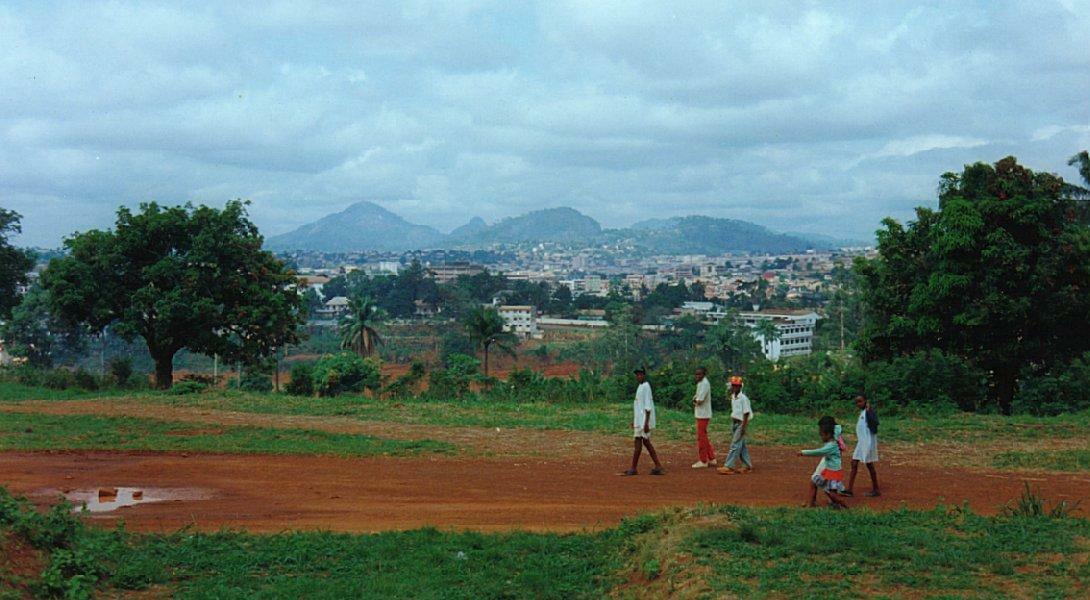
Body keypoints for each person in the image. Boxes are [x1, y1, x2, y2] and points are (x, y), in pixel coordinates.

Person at [799, 416, 848, 509]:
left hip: (828, 462)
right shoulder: (835, 434)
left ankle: (812, 503)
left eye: (821, 432)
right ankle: (830, 502)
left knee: (815, 481)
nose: (820, 434)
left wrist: (803, 452)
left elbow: (819, 451)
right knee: (823, 485)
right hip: (830, 461)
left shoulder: (831, 443)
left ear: (828, 433)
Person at [623, 367, 664, 476]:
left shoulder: (646, 386)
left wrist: (646, 423)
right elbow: (638, 406)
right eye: (637, 375)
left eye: (640, 374)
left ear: (644, 375)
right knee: (643, 442)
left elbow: (648, 406)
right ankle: (656, 466)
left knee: (641, 442)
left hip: (643, 421)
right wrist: (635, 421)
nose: (638, 376)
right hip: (640, 420)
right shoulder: (640, 386)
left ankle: (635, 468)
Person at [843, 395, 881, 497]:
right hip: (861, 442)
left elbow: (875, 423)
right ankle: (849, 490)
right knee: (854, 463)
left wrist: (869, 411)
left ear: (865, 401)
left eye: (860, 401)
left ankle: (876, 489)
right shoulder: (863, 412)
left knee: (869, 465)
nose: (858, 404)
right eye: (857, 402)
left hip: (867, 443)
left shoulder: (869, 412)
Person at [717, 375, 752, 475]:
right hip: (735, 423)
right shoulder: (733, 397)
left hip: (741, 423)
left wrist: (743, 427)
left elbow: (746, 413)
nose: (735, 387)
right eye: (733, 385)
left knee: (735, 445)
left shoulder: (743, 398)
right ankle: (747, 466)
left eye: (737, 386)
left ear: (740, 386)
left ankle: (729, 466)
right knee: (741, 446)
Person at [691, 366, 716, 468]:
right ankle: (711, 458)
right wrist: (695, 400)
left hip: (703, 414)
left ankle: (703, 460)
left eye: (699, 374)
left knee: (701, 437)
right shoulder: (701, 383)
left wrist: (694, 401)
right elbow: (696, 398)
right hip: (701, 413)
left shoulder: (705, 384)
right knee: (703, 436)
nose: (697, 376)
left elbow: (699, 400)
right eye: (696, 374)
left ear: (704, 374)